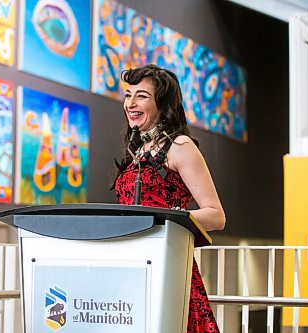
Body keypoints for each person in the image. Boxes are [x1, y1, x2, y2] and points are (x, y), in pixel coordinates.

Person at [112, 64, 225, 333]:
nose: (131, 103)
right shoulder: (138, 150)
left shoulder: (180, 146)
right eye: (128, 95)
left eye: (141, 96)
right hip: (132, 267)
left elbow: (216, 215)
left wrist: (164, 220)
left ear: (162, 102)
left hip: (167, 264)